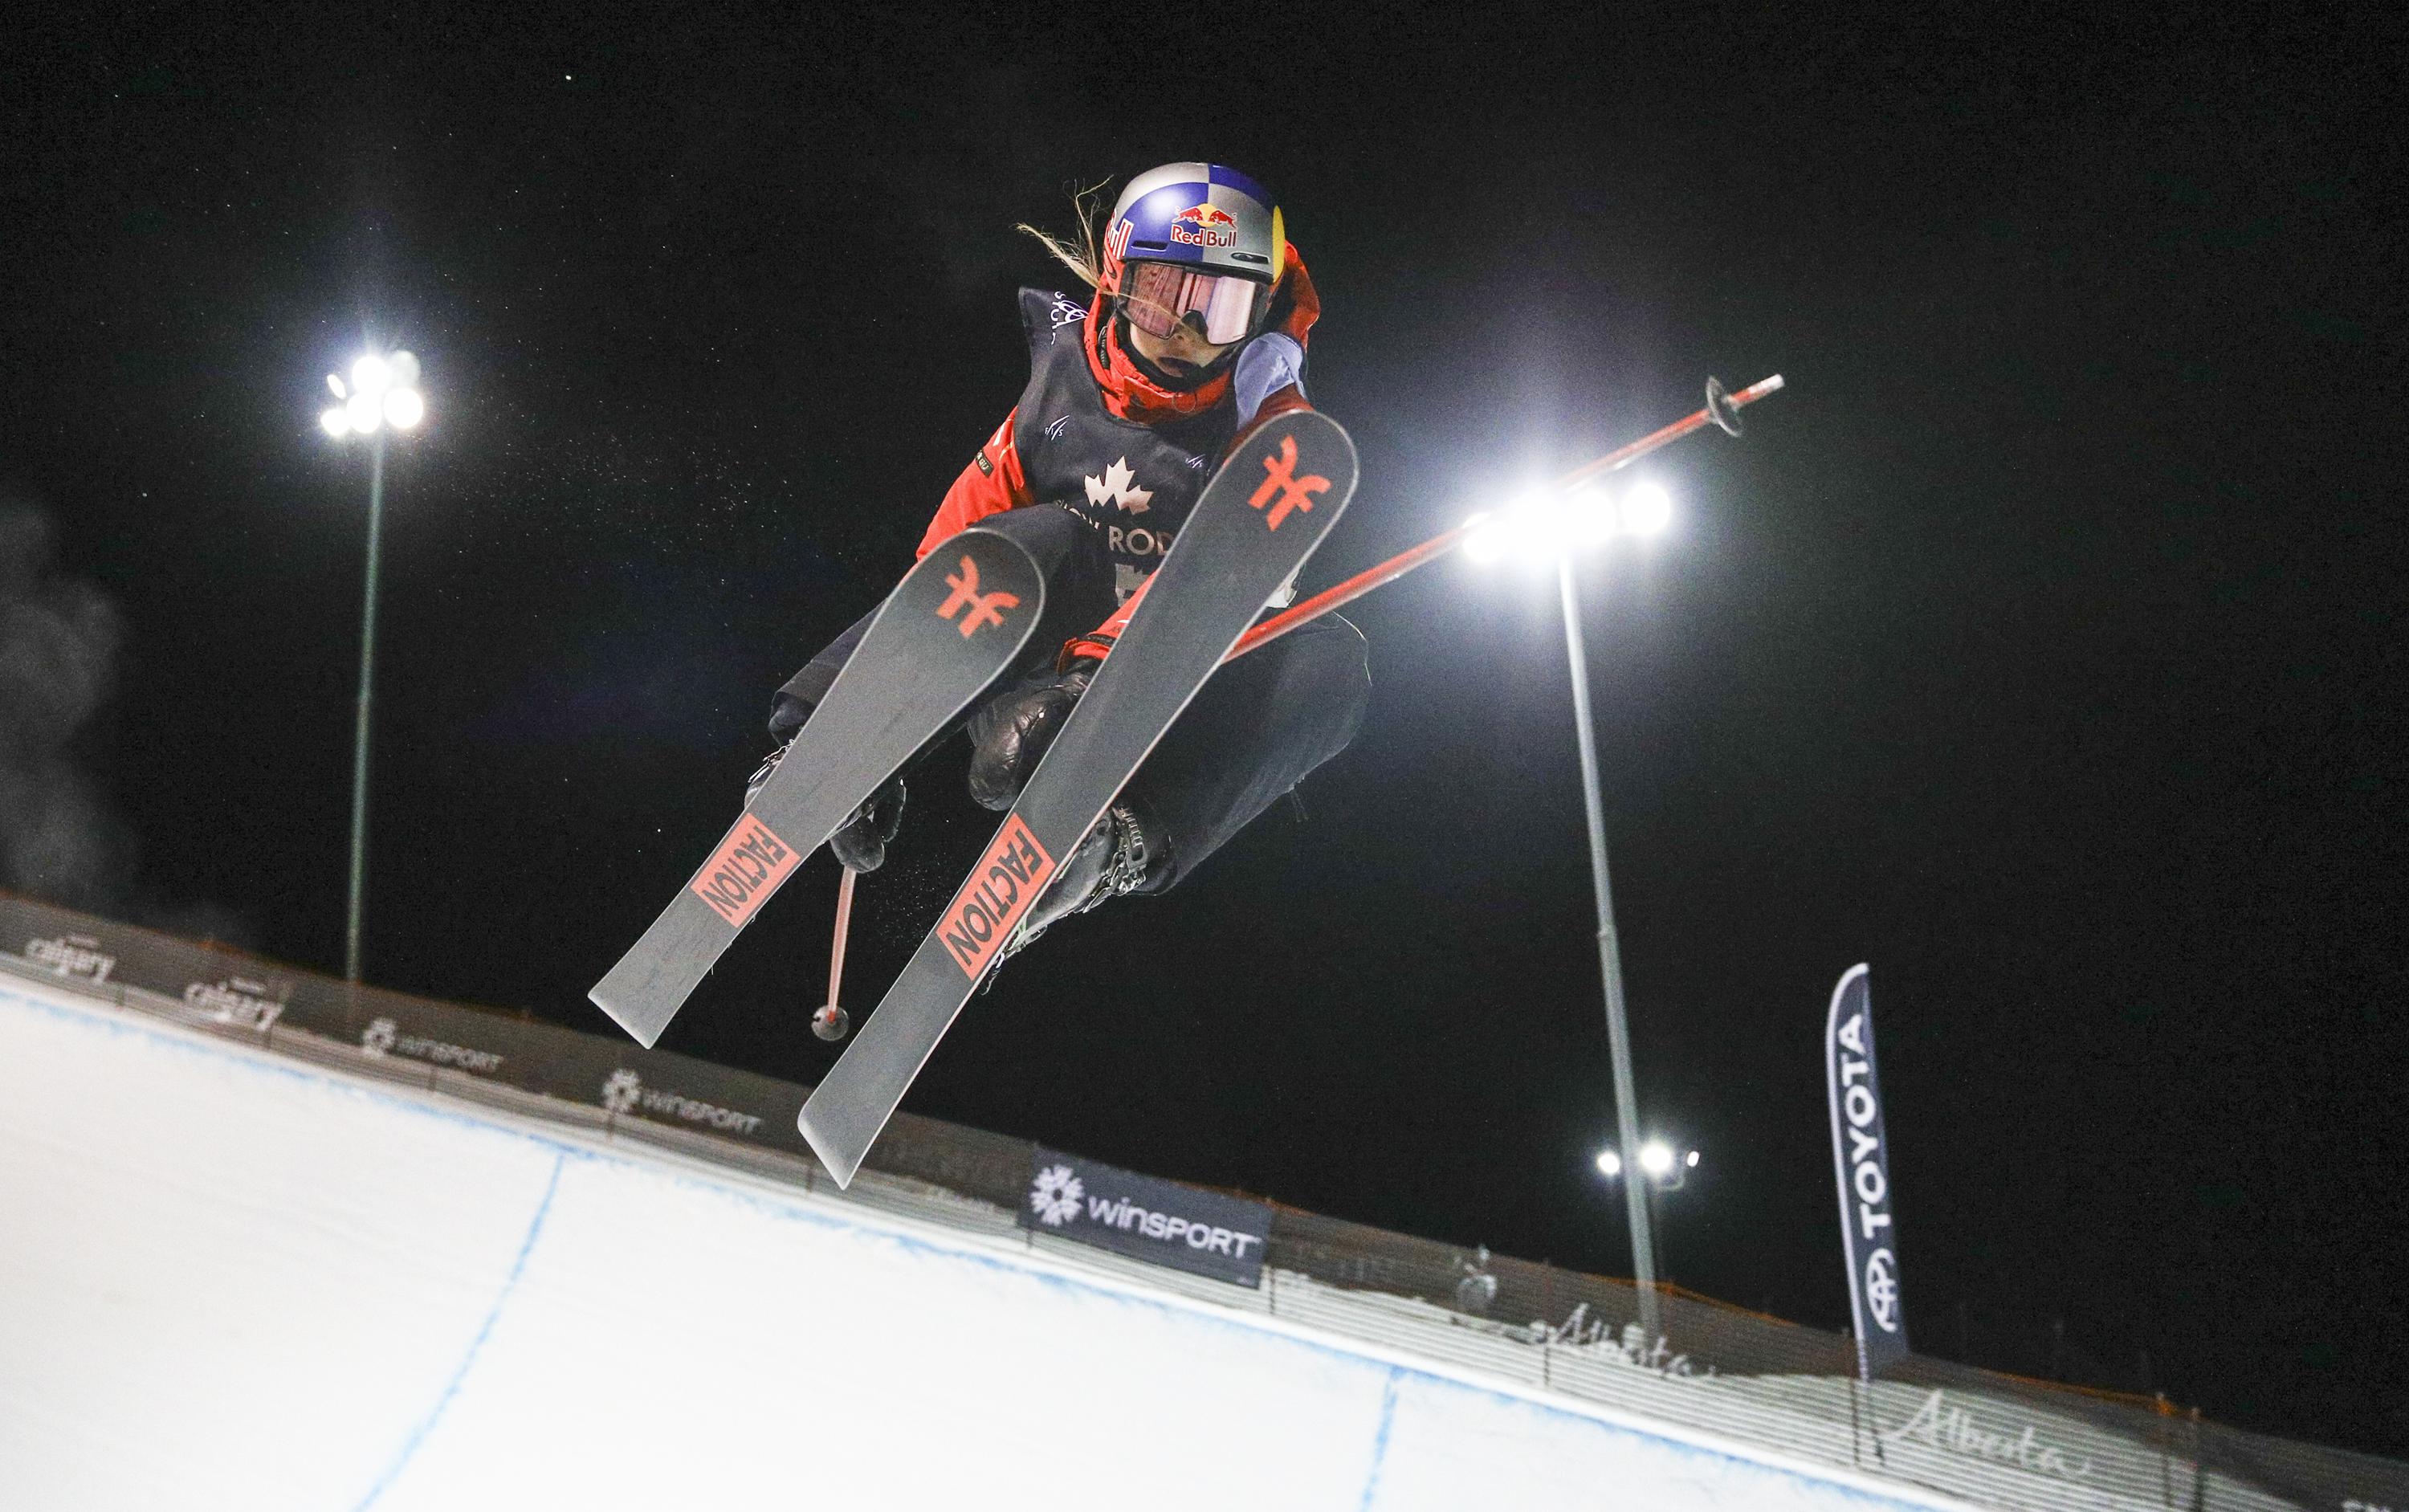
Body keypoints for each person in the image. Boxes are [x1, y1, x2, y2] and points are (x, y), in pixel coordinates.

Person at [764, 162, 1369, 960]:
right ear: (1119, 280)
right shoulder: (1062, 383)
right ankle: (816, 751)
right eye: (1164, 298)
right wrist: (874, 723)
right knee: (1042, 537)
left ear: (1257, 311)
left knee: (1332, 660)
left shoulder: (1271, 429)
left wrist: (1091, 684)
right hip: (1025, 686)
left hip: (1145, 704)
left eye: (1217, 309)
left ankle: (1118, 847)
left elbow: (1230, 591)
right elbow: (955, 555)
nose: (1185, 334)